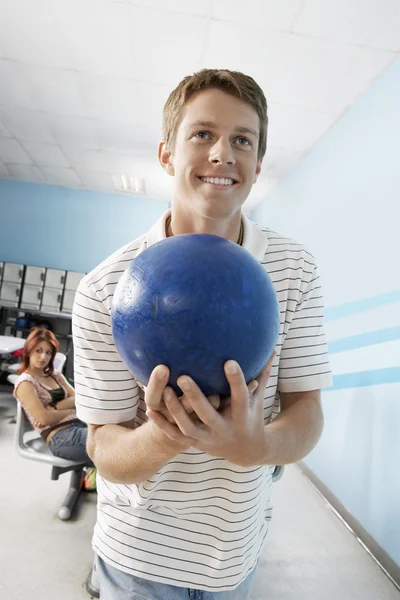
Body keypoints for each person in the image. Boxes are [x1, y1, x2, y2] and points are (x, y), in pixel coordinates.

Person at [73, 69, 333, 599]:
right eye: (202, 134)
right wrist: (165, 434)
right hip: (137, 560)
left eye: (243, 140)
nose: (222, 153)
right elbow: (104, 448)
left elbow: (307, 411)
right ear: (167, 153)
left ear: (258, 165)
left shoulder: (295, 269)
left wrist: (257, 445)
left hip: (235, 558)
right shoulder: (105, 288)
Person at [13, 327, 96, 490]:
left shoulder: (55, 375)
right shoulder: (25, 383)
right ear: (29, 350)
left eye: (48, 352)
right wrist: (70, 410)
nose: (43, 356)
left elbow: (78, 398)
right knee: (109, 440)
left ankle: (95, 475)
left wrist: (55, 407)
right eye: (39, 351)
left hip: (79, 425)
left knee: (113, 429)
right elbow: (43, 419)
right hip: (60, 437)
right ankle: (96, 477)